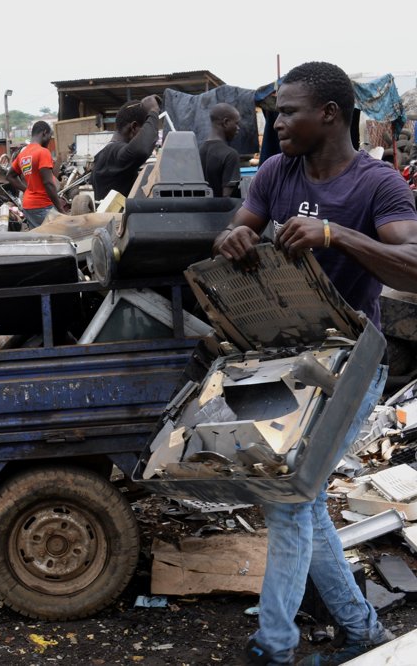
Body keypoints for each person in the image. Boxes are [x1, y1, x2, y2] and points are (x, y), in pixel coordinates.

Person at [214, 61, 417, 666]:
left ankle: (275, 647)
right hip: (287, 358)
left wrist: (336, 235)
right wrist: (232, 238)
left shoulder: (378, 185)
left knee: (291, 498)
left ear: (328, 114)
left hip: (354, 363)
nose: (276, 123)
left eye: (287, 111)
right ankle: (361, 629)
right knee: (295, 495)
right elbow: (234, 230)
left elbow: (411, 263)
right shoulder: (278, 171)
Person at [92, 95, 161, 201]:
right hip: (115, 217)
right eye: (143, 130)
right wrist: (153, 112)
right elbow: (141, 149)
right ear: (133, 127)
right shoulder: (114, 153)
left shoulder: (103, 155)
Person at [6, 121, 68, 228]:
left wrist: (27, 190)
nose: (49, 140)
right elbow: (48, 183)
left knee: (38, 238)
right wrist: (61, 209)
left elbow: (9, 176)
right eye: (50, 136)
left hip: (28, 206)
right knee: (55, 237)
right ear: (44, 133)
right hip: (42, 206)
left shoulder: (23, 154)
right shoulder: (43, 152)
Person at [200, 103, 242, 197]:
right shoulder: (230, 155)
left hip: (200, 209)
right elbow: (226, 197)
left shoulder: (198, 151)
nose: (238, 128)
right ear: (226, 122)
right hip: (221, 211)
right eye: (236, 123)